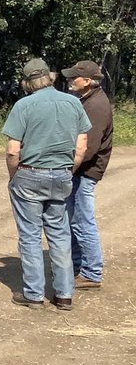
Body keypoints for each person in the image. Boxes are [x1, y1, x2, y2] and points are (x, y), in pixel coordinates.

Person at [4, 58, 90, 310]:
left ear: (28, 82)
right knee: (60, 233)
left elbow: (12, 151)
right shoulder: (73, 102)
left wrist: (14, 176)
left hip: (30, 174)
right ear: (51, 78)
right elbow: (81, 147)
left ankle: (33, 294)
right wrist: (67, 170)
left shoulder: (24, 105)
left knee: (30, 236)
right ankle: (64, 294)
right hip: (62, 174)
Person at [62, 60, 113, 290]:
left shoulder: (96, 106)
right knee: (76, 221)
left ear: (89, 81)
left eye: (75, 77)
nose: (70, 80)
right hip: (82, 170)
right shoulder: (89, 100)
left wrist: (68, 168)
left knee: (83, 221)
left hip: (85, 170)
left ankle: (91, 272)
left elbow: (88, 148)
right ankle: (78, 267)